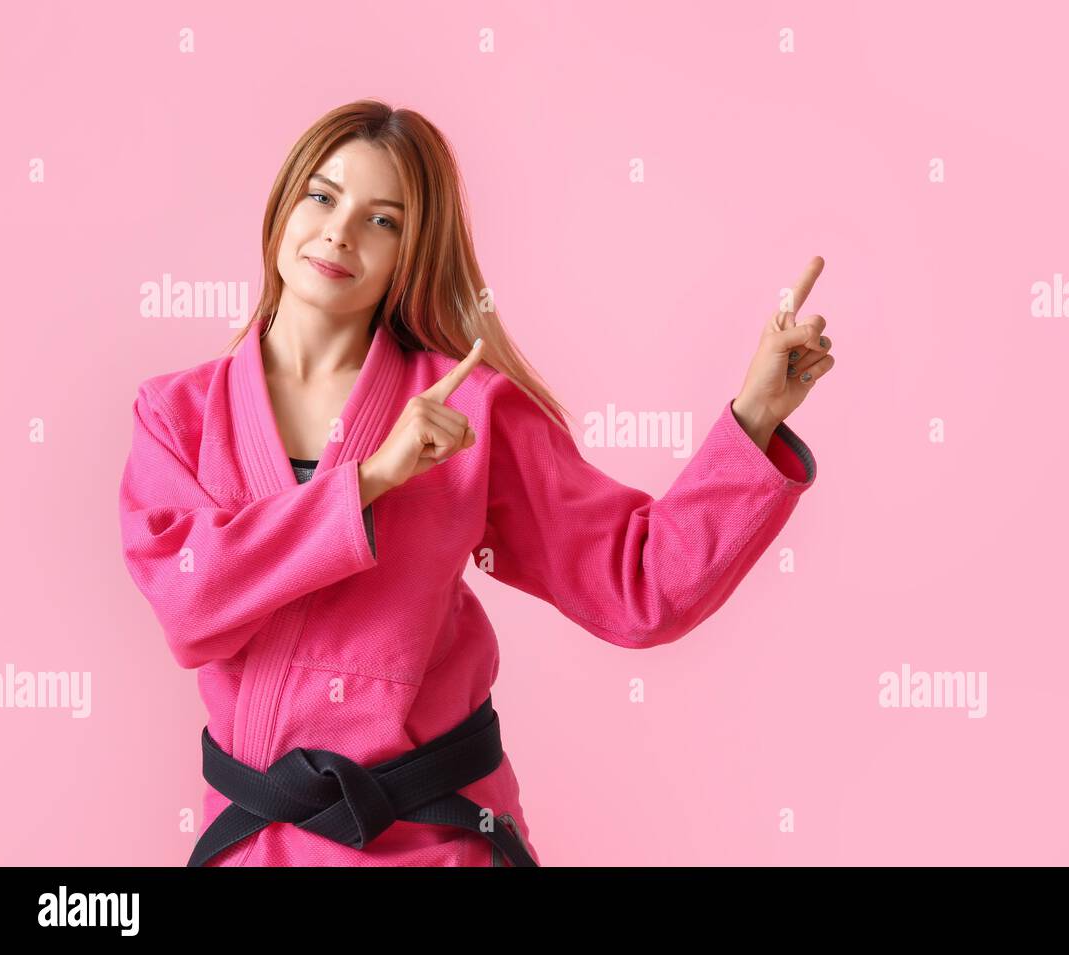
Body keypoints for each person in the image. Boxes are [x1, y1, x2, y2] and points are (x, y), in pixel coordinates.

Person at [117, 99, 835, 867]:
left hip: (436, 839)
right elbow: (190, 608)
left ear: (412, 252)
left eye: (383, 220)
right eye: (322, 196)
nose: (340, 232)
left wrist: (754, 417)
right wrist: (370, 479)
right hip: (256, 842)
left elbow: (640, 584)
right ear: (283, 205)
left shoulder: (467, 409)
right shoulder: (177, 413)